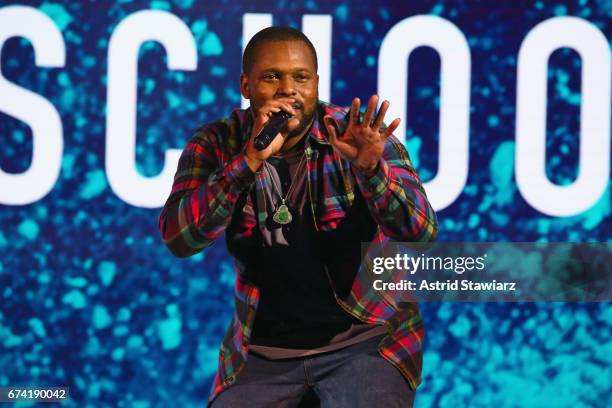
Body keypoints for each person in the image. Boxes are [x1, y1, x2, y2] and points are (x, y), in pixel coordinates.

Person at [158, 26, 437, 407]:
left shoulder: (356, 137)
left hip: (365, 341)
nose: (288, 89)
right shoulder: (216, 143)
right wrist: (248, 162)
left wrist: (372, 174)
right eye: (272, 77)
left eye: (301, 78)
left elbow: (421, 232)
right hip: (263, 354)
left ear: (316, 83)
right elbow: (179, 238)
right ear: (246, 85)